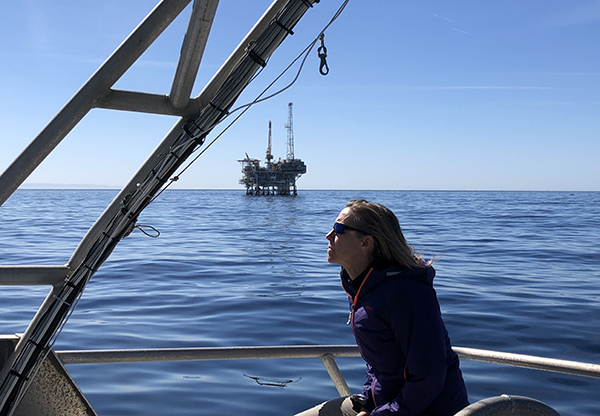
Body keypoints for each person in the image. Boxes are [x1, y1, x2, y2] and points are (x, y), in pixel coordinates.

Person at [295, 199, 469, 416]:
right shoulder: (363, 287)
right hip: (384, 404)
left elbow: (428, 377)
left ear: (366, 242)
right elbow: (378, 363)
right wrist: (367, 404)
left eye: (339, 229)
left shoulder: (406, 294)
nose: (328, 235)